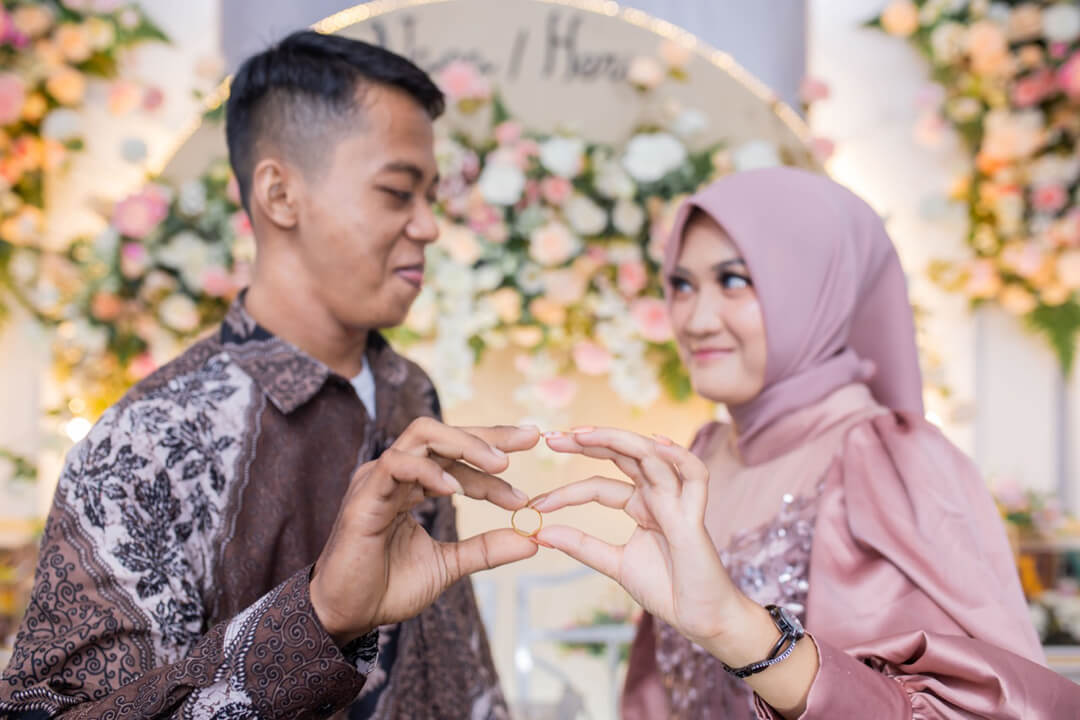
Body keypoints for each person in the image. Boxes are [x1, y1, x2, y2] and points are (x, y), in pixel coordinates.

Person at [0, 31, 541, 719]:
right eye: (398, 193)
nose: (429, 226)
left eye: (431, 196)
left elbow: (451, 650)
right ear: (280, 194)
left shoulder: (410, 389)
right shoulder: (149, 439)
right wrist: (317, 620)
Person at [530, 167, 1080, 718]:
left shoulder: (890, 456)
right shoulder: (703, 454)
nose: (696, 319)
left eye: (734, 281)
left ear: (814, 287)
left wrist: (745, 634)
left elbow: (993, 708)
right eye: (681, 284)